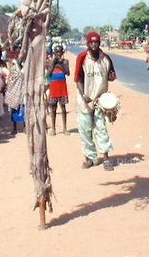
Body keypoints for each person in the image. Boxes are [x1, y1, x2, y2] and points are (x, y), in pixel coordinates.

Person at [75, 31, 116, 171]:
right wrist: (84, 94)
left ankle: (105, 158)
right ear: (87, 43)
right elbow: (78, 79)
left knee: (101, 129)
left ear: (99, 43)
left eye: (96, 42)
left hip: (100, 100)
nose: (94, 45)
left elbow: (111, 75)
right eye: (91, 42)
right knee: (85, 131)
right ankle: (90, 158)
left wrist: (111, 77)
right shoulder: (81, 58)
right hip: (84, 101)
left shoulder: (105, 58)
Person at [45, 44, 70, 135]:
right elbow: (48, 73)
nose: (58, 54)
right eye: (57, 52)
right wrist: (55, 62)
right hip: (53, 87)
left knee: (63, 108)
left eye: (60, 52)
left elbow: (67, 72)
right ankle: (53, 129)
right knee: (53, 108)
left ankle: (64, 128)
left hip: (62, 87)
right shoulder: (51, 61)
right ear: (54, 53)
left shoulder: (65, 61)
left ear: (62, 52)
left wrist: (61, 64)